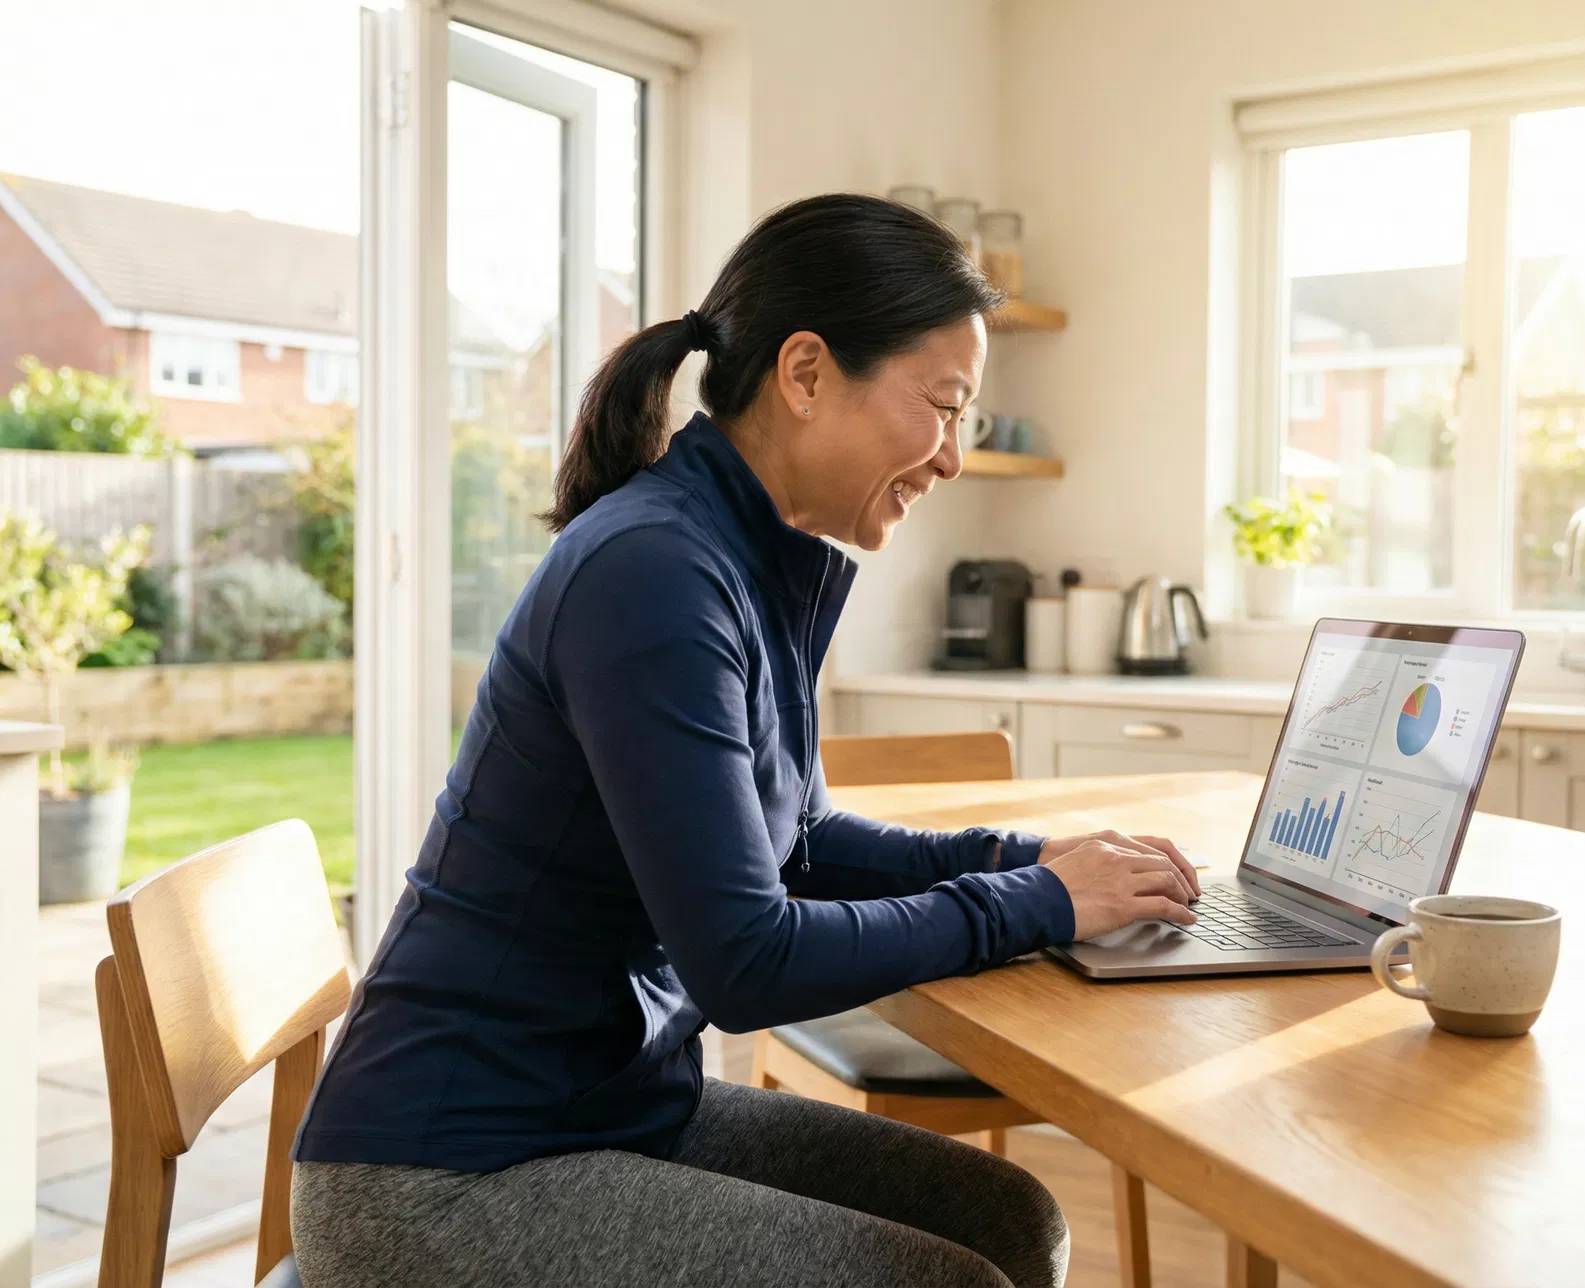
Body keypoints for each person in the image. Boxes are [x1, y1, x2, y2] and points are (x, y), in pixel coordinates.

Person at [289, 193, 1201, 1288]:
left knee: (1006, 1219)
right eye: (942, 406)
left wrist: (1028, 860)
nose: (952, 458)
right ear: (806, 374)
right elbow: (748, 961)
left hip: (604, 1109)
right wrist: (1039, 904)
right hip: (445, 1173)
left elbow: (802, 844)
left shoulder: (736, 557)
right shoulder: (654, 573)